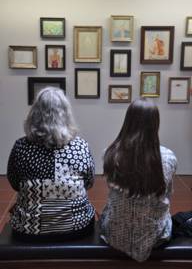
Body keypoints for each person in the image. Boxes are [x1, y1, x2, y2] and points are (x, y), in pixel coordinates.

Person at [7, 87, 95, 240]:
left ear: (34, 113)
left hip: (28, 230)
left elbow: (15, 183)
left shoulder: (21, 146)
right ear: (66, 115)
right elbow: (89, 182)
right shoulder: (80, 146)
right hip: (77, 227)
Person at [100, 98, 177, 262]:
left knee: (107, 208)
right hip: (155, 238)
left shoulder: (110, 154)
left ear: (128, 121)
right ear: (155, 123)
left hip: (115, 236)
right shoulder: (168, 157)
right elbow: (167, 195)